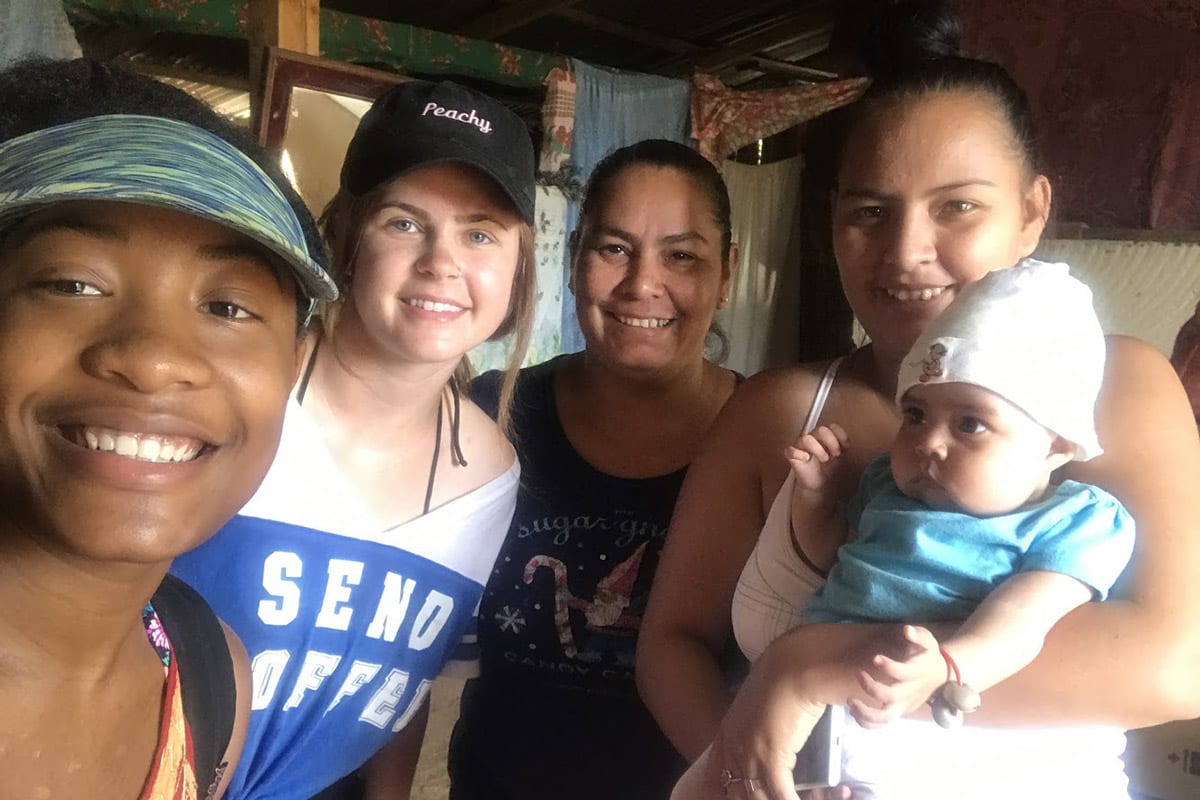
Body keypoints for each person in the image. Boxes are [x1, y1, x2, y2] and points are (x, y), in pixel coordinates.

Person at [637, 2, 1200, 799]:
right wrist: (750, 770)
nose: (905, 252)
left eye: (957, 205)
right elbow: (673, 643)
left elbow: (1177, 665)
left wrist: (803, 669)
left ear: (1032, 211)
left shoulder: (1120, 388)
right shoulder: (779, 411)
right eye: (868, 211)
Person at [170, 79, 537, 800]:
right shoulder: (235, 392)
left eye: (480, 232)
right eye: (404, 223)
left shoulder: (491, 475)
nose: (442, 261)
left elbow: (398, 683)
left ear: (519, 265)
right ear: (344, 234)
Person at [0, 57, 337, 800]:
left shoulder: (208, 676)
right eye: (72, 283)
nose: (154, 361)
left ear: (295, 365)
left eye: (228, 307)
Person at [675, 260, 1137, 799]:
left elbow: (1022, 620)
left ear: (1055, 443)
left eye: (970, 423)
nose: (929, 443)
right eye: (916, 415)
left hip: (945, 723)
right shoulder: (885, 486)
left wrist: (948, 667)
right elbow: (833, 561)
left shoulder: (1076, 520)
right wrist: (815, 498)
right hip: (826, 708)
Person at [447, 138, 740, 800]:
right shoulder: (496, 410)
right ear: (575, 259)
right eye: (614, 249)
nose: (642, 284)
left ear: (727, 273)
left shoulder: (767, 433)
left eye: (682, 256)